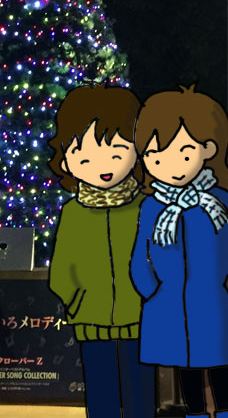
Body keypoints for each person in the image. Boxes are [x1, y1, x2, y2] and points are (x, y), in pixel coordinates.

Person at [48, 82, 155, 418]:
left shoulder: (146, 207)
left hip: (140, 320)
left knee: (141, 397)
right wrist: (77, 300)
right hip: (91, 321)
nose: (104, 166)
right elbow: (62, 268)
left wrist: (152, 296)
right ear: (66, 158)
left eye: (116, 153)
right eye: (85, 156)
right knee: (101, 397)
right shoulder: (73, 212)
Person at [131, 84, 228, 418]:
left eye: (184, 153)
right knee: (186, 367)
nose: (171, 165)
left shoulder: (219, 202)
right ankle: (196, 414)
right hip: (169, 302)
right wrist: (152, 291)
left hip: (214, 300)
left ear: (208, 148)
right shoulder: (152, 206)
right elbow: (140, 255)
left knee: (221, 364)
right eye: (156, 156)